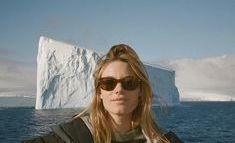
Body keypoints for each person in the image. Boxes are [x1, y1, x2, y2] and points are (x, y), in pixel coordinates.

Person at [23, 44, 183, 143]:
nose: (118, 89)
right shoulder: (71, 137)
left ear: (141, 91)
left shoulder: (166, 140)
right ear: (99, 92)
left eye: (129, 83)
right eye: (108, 83)